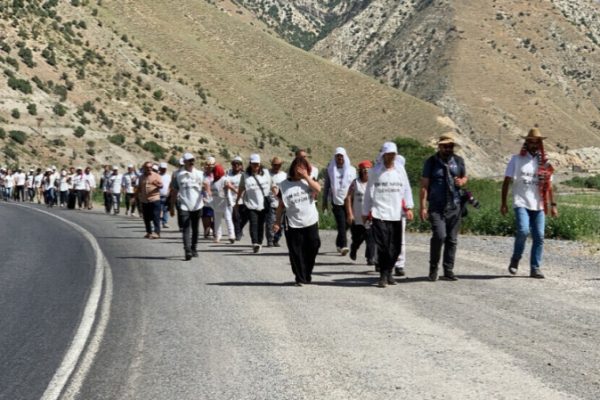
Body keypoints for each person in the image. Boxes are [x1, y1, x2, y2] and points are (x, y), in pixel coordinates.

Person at [501, 128, 558, 279]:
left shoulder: (545, 163)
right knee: (523, 230)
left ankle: (535, 268)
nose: (534, 144)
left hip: (539, 205)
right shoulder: (516, 160)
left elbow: (549, 186)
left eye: (537, 142)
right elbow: (507, 181)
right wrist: (504, 203)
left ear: (540, 144)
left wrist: (553, 206)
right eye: (531, 141)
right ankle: (516, 258)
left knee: (539, 236)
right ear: (526, 142)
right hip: (521, 202)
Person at [362, 142, 414, 288]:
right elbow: (368, 193)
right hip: (380, 213)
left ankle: (389, 272)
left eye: (393, 154)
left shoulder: (400, 170)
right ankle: (383, 276)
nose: (391, 157)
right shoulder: (375, 171)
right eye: (388, 154)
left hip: (396, 213)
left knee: (396, 247)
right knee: (384, 246)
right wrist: (366, 212)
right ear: (383, 155)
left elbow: (407, 189)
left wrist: (409, 207)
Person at [420, 132, 468, 282]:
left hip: (455, 205)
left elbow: (465, 177)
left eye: (450, 146)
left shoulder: (459, 161)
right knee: (440, 236)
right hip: (436, 206)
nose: (448, 149)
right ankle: (433, 268)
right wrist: (423, 207)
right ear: (440, 147)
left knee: (452, 239)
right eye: (445, 146)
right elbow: (424, 186)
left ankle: (448, 270)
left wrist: (462, 182)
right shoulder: (431, 162)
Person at [273, 156, 321, 286]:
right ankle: (300, 277)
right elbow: (281, 206)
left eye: (304, 167)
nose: (300, 170)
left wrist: (306, 177)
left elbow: (318, 189)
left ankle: (307, 272)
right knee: (296, 251)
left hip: (310, 220)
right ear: (293, 168)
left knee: (314, 246)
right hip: (293, 223)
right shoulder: (284, 185)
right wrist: (277, 222)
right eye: (298, 167)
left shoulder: (308, 181)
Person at [235, 154, 272, 253]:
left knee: (261, 224)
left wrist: (276, 191)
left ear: (260, 164)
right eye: (254, 164)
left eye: (257, 164)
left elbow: (272, 185)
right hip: (251, 203)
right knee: (253, 223)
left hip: (263, 204)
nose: (256, 166)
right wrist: (237, 201)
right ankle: (254, 243)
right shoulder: (245, 176)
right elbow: (241, 188)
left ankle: (259, 242)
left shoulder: (266, 173)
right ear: (250, 164)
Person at [170, 153, 205, 260]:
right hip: (184, 204)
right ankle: (187, 250)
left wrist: (207, 191)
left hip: (197, 205)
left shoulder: (200, 174)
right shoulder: (178, 175)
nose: (191, 162)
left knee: (195, 229)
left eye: (193, 160)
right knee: (186, 228)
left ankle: (194, 248)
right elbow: (174, 191)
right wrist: (171, 206)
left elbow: (205, 186)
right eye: (189, 160)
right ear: (184, 162)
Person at [323, 147, 356, 256]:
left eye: (341, 156)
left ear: (345, 157)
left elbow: (355, 186)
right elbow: (327, 186)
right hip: (336, 201)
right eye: (337, 156)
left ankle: (338, 242)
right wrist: (324, 202)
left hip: (350, 201)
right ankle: (343, 246)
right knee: (341, 224)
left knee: (347, 224)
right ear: (335, 157)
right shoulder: (330, 170)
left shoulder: (351, 170)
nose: (339, 158)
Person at [345, 160, 376, 266]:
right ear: (360, 171)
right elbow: (348, 198)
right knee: (358, 238)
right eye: (364, 170)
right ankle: (354, 248)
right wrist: (349, 214)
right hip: (357, 217)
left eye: (368, 170)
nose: (366, 172)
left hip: (370, 216)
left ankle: (370, 257)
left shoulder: (374, 183)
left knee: (370, 237)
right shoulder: (355, 183)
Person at [205, 163, 235, 243]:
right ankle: (218, 236)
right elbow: (210, 192)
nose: (215, 172)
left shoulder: (224, 179)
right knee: (217, 221)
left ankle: (231, 236)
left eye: (216, 170)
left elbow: (230, 186)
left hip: (225, 203)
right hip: (216, 204)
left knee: (228, 219)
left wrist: (237, 192)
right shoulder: (212, 182)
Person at [138, 161, 163, 239]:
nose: (149, 169)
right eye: (147, 167)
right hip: (145, 200)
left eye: (150, 167)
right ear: (144, 168)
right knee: (146, 218)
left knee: (156, 216)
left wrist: (157, 184)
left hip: (155, 199)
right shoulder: (141, 177)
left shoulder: (156, 175)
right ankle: (149, 232)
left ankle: (157, 232)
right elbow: (139, 188)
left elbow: (161, 185)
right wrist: (137, 197)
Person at [266, 156, 287, 247]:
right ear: (272, 165)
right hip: (270, 200)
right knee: (270, 221)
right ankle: (270, 240)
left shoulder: (284, 175)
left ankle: (276, 239)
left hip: (282, 201)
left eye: (278, 165)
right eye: (275, 165)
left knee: (281, 223)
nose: (276, 166)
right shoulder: (267, 174)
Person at [227, 156, 246, 240]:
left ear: (241, 165)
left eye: (238, 164)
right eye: (234, 164)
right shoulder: (228, 173)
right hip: (232, 199)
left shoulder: (245, 175)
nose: (236, 166)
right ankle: (237, 234)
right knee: (236, 217)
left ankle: (239, 229)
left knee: (244, 217)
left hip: (243, 199)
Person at [201, 156, 216, 238]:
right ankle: (207, 229)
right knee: (206, 221)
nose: (209, 167)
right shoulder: (202, 175)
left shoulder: (217, 175)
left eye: (211, 165)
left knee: (216, 219)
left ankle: (215, 230)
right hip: (205, 201)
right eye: (207, 165)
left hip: (215, 200)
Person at [158, 162, 171, 228]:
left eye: (165, 168)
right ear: (160, 168)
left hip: (166, 195)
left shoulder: (168, 176)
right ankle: (159, 221)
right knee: (159, 209)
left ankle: (164, 222)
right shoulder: (157, 176)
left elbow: (170, 185)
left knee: (166, 209)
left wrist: (169, 192)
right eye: (162, 168)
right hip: (158, 195)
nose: (164, 169)